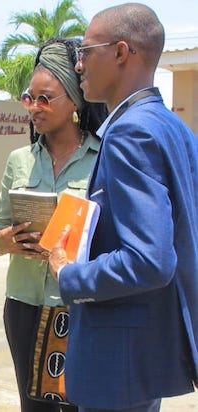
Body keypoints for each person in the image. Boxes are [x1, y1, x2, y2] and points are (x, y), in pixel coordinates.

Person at [48, 4, 198, 412]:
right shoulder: (173, 127)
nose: (78, 65)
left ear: (120, 52)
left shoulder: (130, 133)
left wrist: (69, 273)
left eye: (85, 51)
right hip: (140, 354)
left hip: (118, 361)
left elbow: (150, 259)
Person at [0, 38, 107, 412]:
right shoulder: (19, 160)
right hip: (23, 304)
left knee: (77, 404)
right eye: (29, 98)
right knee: (33, 406)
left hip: (76, 305)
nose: (34, 108)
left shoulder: (102, 157)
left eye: (45, 99)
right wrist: (6, 241)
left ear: (74, 102)